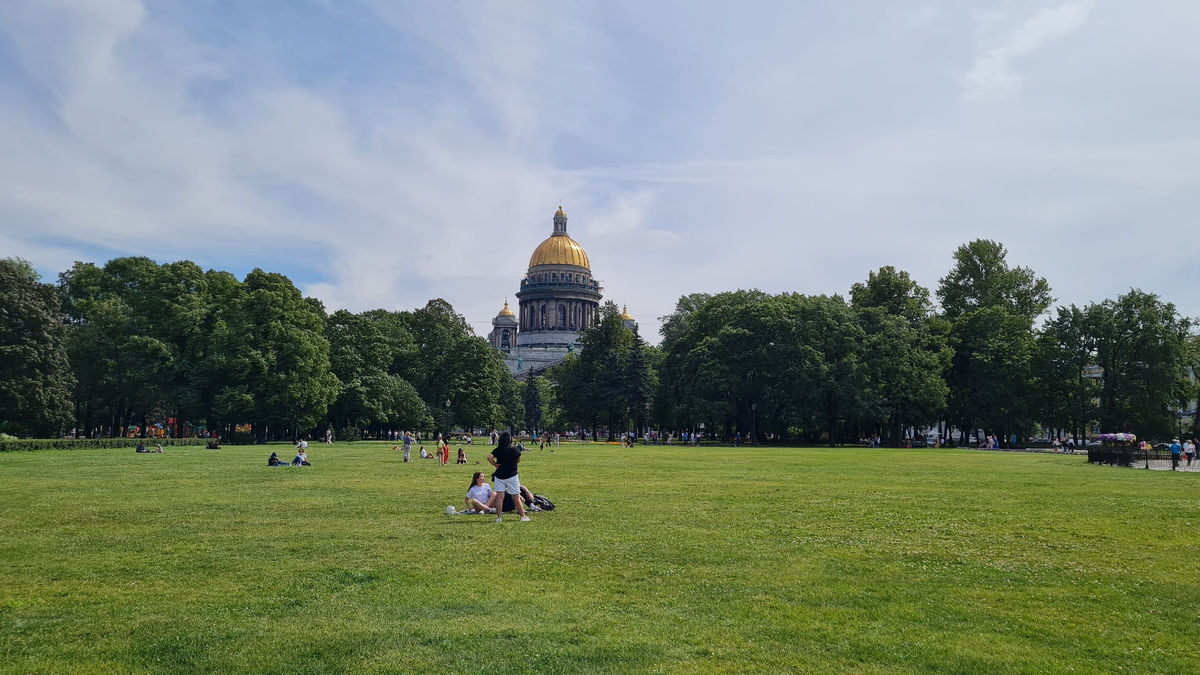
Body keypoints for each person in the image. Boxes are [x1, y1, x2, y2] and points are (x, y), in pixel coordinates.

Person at [487, 431, 529, 523]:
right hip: (512, 475)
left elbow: (489, 457)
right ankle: (522, 516)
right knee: (516, 497)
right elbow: (518, 460)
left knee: (500, 497)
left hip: (499, 476)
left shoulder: (497, 450)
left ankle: (499, 517)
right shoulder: (514, 450)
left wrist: (495, 464)